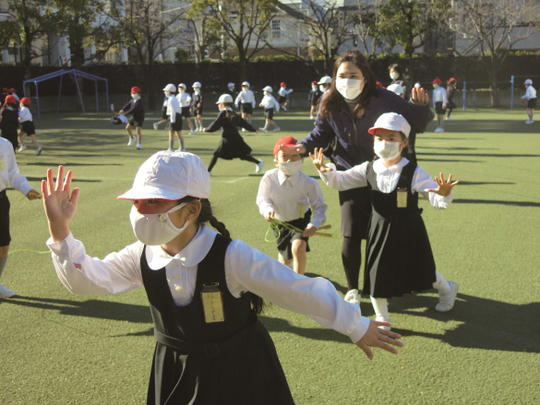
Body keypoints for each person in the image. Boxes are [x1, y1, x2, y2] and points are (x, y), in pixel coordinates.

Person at [41, 152, 403, 404]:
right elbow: (88, 280)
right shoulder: (141, 255)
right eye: (138, 202)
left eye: (155, 202)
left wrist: (355, 325)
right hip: (176, 369)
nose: (141, 211)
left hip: (241, 369)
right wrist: (61, 232)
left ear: (192, 209)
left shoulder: (231, 255)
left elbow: (295, 289)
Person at [279, 49, 433, 307]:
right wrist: (302, 147)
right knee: (350, 233)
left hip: (386, 174)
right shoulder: (328, 100)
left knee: (392, 234)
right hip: (349, 172)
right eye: (342, 75)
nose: (346, 80)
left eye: (353, 75)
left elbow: (417, 123)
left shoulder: (385, 99)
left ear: (365, 77)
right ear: (334, 77)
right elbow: (321, 133)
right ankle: (353, 289)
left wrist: (420, 107)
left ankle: (412, 281)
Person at [311, 112, 459, 329]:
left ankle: (447, 290)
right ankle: (382, 317)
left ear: (404, 143)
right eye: (379, 138)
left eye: (391, 138)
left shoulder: (414, 171)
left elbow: (436, 199)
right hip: (379, 227)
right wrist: (327, 171)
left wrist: (443, 193)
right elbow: (340, 182)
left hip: (410, 228)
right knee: (376, 272)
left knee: (421, 269)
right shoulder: (368, 168)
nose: (384, 143)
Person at [256, 136, 327, 275]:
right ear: (276, 162)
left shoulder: (310, 183)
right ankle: (285, 263)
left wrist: (315, 224)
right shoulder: (269, 178)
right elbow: (262, 198)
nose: (289, 160)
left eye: (295, 155)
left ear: (302, 159)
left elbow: (319, 207)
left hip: (301, 220)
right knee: (286, 258)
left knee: (298, 246)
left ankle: (298, 283)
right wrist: (267, 210)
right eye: (284, 156)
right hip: (279, 222)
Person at [0, 136, 41, 298]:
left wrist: (25, 188)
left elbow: (11, 173)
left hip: (1, 201)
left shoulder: (4, 144)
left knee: (3, 246)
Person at [203, 94, 263, 175]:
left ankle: (208, 172)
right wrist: (252, 129)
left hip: (229, 138)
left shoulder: (223, 113)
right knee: (242, 155)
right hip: (234, 138)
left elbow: (215, 124)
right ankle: (258, 162)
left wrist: (206, 129)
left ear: (223, 104)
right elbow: (243, 123)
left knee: (216, 153)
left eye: (219, 104)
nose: (219, 106)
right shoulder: (232, 113)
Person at [162, 84, 184, 152]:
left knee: (171, 133)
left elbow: (172, 110)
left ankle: (171, 148)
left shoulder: (171, 100)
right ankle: (181, 148)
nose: (165, 92)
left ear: (169, 92)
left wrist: (172, 120)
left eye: (166, 91)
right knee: (178, 133)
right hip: (177, 117)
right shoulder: (175, 99)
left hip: (174, 117)